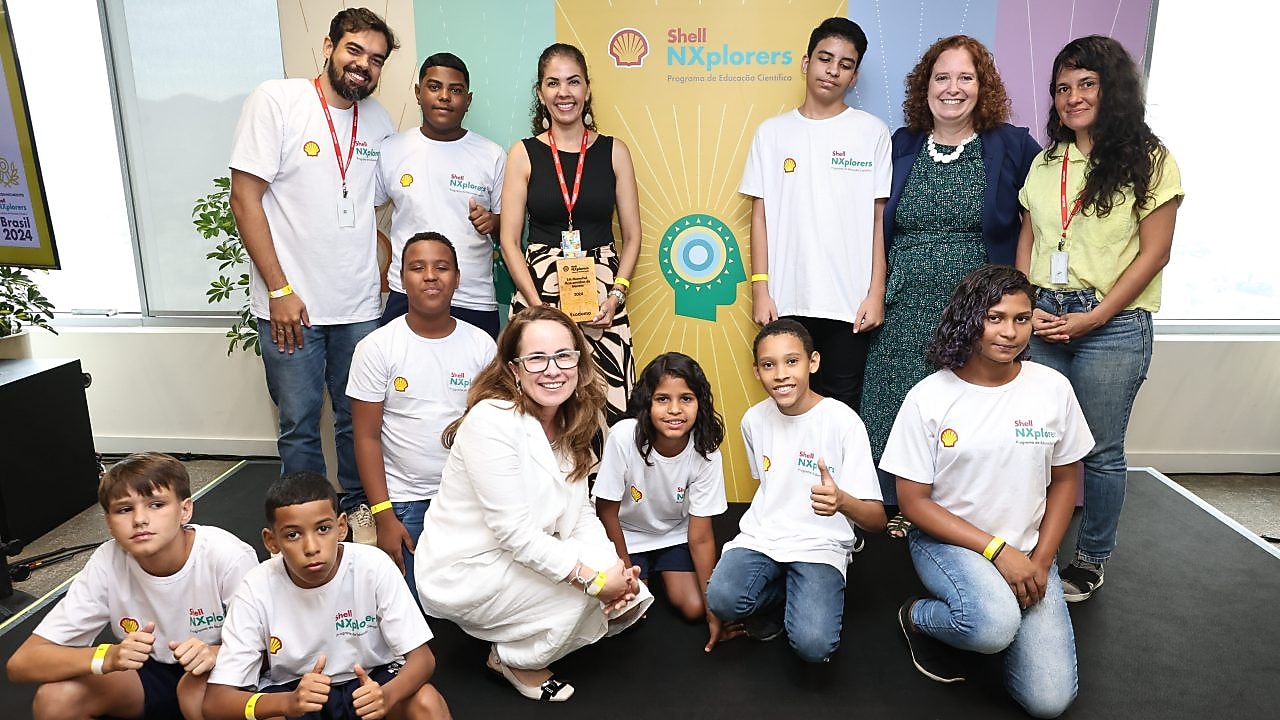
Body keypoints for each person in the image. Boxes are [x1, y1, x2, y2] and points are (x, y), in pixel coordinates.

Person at [881, 265, 1092, 718]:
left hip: (1028, 547)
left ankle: (988, 614)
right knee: (992, 625)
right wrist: (997, 551)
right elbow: (913, 502)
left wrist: (1040, 560)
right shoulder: (929, 397)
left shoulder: (1053, 388)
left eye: (1022, 318)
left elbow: (1066, 479)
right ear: (970, 318)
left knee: (1049, 702)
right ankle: (917, 617)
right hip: (948, 542)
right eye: (995, 317)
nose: (1009, 332)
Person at [1016, 35, 1183, 602]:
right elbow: (1032, 235)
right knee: (1036, 442)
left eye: (1086, 84)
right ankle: (1034, 547)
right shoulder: (1045, 163)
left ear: (1112, 90)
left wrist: (1095, 318)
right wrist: (1023, 303)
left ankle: (1089, 561)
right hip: (1043, 316)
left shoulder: (1151, 159)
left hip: (1110, 325)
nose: (1072, 97)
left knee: (1101, 451)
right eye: (1063, 88)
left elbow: (1153, 253)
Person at [414, 305, 652, 702]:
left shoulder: (571, 418)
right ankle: (511, 657)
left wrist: (613, 569)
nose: (553, 369)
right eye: (536, 358)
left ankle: (530, 625)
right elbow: (515, 534)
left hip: (522, 550)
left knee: (626, 594)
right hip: (470, 566)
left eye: (564, 355)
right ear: (513, 369)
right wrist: (595, 582)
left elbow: (580, 516)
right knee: (586, 595)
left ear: (578, 361)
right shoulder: (492, 420)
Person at [861, 35, 1044, 521]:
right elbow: (876, 222)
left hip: (976, 305)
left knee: (966, 404)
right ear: (926, 86)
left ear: (982, 87)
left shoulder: (1010, 145)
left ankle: (959, 506)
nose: (953, 88)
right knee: (892, 397)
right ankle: (897, 505)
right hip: (903, 298)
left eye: (966, 77)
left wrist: (1022, 297)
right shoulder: (901, 144)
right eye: (942, 77)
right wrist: (876, 291)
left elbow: (1038, 215)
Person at [229, 8, 399, 517]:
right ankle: (305, 521)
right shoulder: (277, 100)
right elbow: (244, 199)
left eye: (375, 59)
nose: (362, 65)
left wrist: (385, 268)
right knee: (300, 422)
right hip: (293, 305)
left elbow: (373, 211)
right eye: (354, 50)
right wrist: (280, 292)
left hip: (360, 304)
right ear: (328, 46)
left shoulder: (379, 120)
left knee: (358, 418)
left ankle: (357, 515)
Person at [6, 453, 258, 720]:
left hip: (223, 673)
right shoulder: (108, 560)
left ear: (185, 510)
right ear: (108, 522)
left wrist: (215, 653)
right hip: (149, 674)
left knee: (201, 691)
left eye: (156, 505)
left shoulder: (228, 556)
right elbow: (23, 662)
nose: (139, 519)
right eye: (125, 509)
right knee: (55, 699)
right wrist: (109, 656)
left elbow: (272, 648)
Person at [705, 319, 886, 663]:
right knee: (722, 598)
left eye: (792, 361)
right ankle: (788, 589)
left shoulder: (843, 422)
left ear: (813, 362)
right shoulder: (752, 421)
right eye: (769, 365)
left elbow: (877, 520)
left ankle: (806, 590)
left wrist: (843, 502)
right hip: (764, 537)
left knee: (814, 647)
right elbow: (768, 484)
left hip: (820, 544)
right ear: (757, 372)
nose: (781, 374)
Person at [203, 472, 450, 720]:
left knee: (426, 702)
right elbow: (216, 702)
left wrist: (386, 696)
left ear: (341, 527)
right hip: (297, 690)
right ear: (271, 541)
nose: (311, 548)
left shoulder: (374, 565)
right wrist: (286, 703)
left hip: (371, 679)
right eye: (293, 535)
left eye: (323, 529)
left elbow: (423, 659)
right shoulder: (255, 587)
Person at [741, 17, 891, 414]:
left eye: (845, 64)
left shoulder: (872, 133)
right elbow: (761, 217)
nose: (833, 71)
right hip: (788, 299)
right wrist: (761, 288)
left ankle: (836, 481)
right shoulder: (771, 134)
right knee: (788, 407)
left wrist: (876, 293)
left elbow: (877, 221)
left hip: (849, 305)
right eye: (825, 59)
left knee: (841, 411)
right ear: (806, 62)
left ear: (854, 76)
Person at [498, 43, 642, 426]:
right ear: (541, 94)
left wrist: (617, 294)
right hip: (537, 293)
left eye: (573, 82)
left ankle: (602, 488)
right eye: (553, 83)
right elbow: (509, 242)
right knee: (537, 410)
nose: (564, 92)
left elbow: (633, 235)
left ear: (587, 89)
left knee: (607, 409)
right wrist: (537, 308)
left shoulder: (615, 152)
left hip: (602, 300)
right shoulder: (523, 154)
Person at [348, 232, 496, 601]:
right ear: (400, 279)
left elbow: (495, 430)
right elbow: (366, 437)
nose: (430, 276)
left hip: (469, 499)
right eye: (418, 267)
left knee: (478, 602)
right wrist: (385, 517)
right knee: (415, 610)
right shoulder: (376, 347)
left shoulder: (481, 345)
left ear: (457, 279)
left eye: (441, 267)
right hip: (406, 503)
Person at [593, 352, 741, 652]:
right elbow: (606, 511)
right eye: (663, 399)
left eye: (686, 398)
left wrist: (714, 609)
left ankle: (662, 574)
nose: (675, 410)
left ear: (700, 403)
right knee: (628, 613)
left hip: (674, 535)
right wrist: (623, 567)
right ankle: (643, 575)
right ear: (647, 402)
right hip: (626, 535)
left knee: (695, 609)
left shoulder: (707, 452)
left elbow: (700, 537)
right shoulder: (624, 437)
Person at [375, 52, 505, 337]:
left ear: (467, 100)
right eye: (434, 87)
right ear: (418, 93)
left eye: (455, 90)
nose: (444, 96)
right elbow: (362, 213)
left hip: (473, 298)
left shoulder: (492, 155)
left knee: (479, 382)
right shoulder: (391, 150)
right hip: (407, 295)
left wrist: (492, 223)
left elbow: (507, 228)